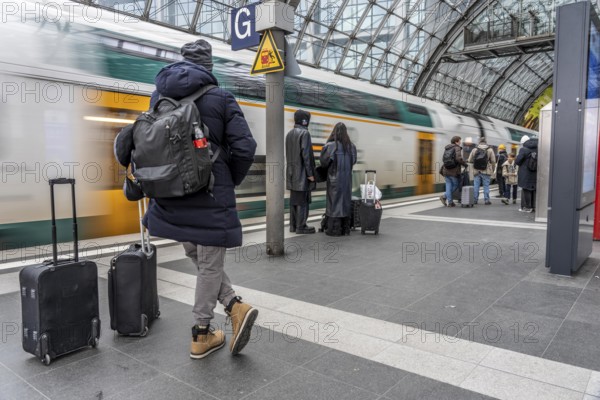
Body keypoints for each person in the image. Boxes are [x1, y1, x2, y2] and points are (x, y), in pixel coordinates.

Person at [144, 39, 259, 359]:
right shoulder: (221, 98)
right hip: (208, 195)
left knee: (198, 255)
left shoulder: (158, 98)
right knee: (209, 264)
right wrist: (228, 180)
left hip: (169, 198)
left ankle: (235, 306)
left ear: (182, 63)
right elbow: (245, 148)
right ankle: (201, 334)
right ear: (208, 67)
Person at [320, 122, 357, 234]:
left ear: (334, 132)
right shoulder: (352, 147)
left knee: (334, 204)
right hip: (347, 181)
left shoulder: (330, 146)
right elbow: (354, 161)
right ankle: (345, 229)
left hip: (334, 181)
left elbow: (323, 163)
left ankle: (334, 229)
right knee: (345, 203)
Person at [286, 109, 316, 234]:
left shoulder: (289, 133)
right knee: (303, 201)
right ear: (305, 120)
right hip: (302, 173)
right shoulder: (305, 133)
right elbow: (306, 156)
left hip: (291, 173)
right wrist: (310, 174)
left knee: (294, 200)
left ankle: (293, 226)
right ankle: (301, 226)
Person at [440, 136, 467, 207]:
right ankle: (445, 197)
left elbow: (443, 159)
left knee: (448, 186)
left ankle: (450, 201)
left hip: (446, 170)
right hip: (453, 171)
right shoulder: (457, 147)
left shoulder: (447, 148)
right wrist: (464, 164)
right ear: (456, 142)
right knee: (456, 185)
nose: (460, 142)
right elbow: (458, 158)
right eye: (459, 141)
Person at [467, 136, 496, 205]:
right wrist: (493, 169)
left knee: (476, 186)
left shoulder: (474, 149)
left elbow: (469, 160)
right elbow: (493, 161)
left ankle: (475, 200)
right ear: (486, 142)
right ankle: (486, 200)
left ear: (479, 142)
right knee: (486, 186)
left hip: (476, 171)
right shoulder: (490, 150)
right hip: (486, 171)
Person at [516, 135, 538, 212]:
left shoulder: (523, 149)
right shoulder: (537, 148)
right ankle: (534, 207)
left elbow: (517, 161)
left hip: (525, 173)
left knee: (526, 190)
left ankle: (527, 207)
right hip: (535, 173)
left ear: (523, 142)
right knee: (533, 190)